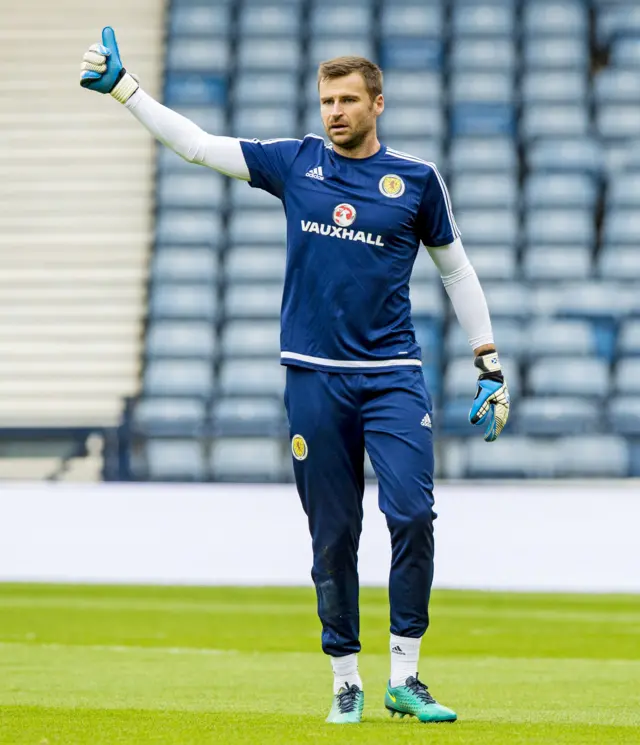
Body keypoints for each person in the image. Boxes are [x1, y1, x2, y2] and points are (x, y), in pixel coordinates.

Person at [80, 28, 510, 725]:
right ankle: (346, 678)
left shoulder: (418, 180)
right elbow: (195, 145)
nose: (333, 111)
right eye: (325, 100)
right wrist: (128, 91)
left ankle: (406, 675)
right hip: (314, 378)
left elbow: (456, 270)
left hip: (393, 374)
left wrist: (488, 361)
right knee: (333, 534)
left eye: (346, 99)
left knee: (412, 514)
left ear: (377, 103)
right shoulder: (295, 163)